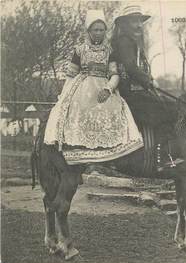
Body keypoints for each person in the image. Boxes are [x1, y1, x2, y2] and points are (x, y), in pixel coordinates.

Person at [44, 9, 143, 165]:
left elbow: (114, 74)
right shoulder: (79, 50)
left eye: (102, 30)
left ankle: (109, 151)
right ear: (89, 31)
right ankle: (77, 146)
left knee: (114, 108)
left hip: (103, 84)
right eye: (95, 30)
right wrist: (64, 96)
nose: (99, 33)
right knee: (76, 108)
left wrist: (108, 89)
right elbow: (71, 75)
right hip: (82, 86)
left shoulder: (110, 51)